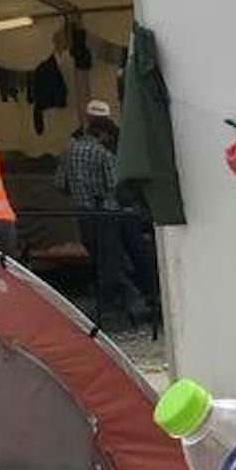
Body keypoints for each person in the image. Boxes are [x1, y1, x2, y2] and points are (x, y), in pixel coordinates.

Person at [56, 98, 157, 322]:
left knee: (96, 259)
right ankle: (123, 304)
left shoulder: (69, 150)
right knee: (112, 261)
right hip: (108, 214)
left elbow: (60, 184)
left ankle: (106, 303)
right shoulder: (104, 153)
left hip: (82, 213)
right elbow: (116, 185)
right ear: (104, 132)